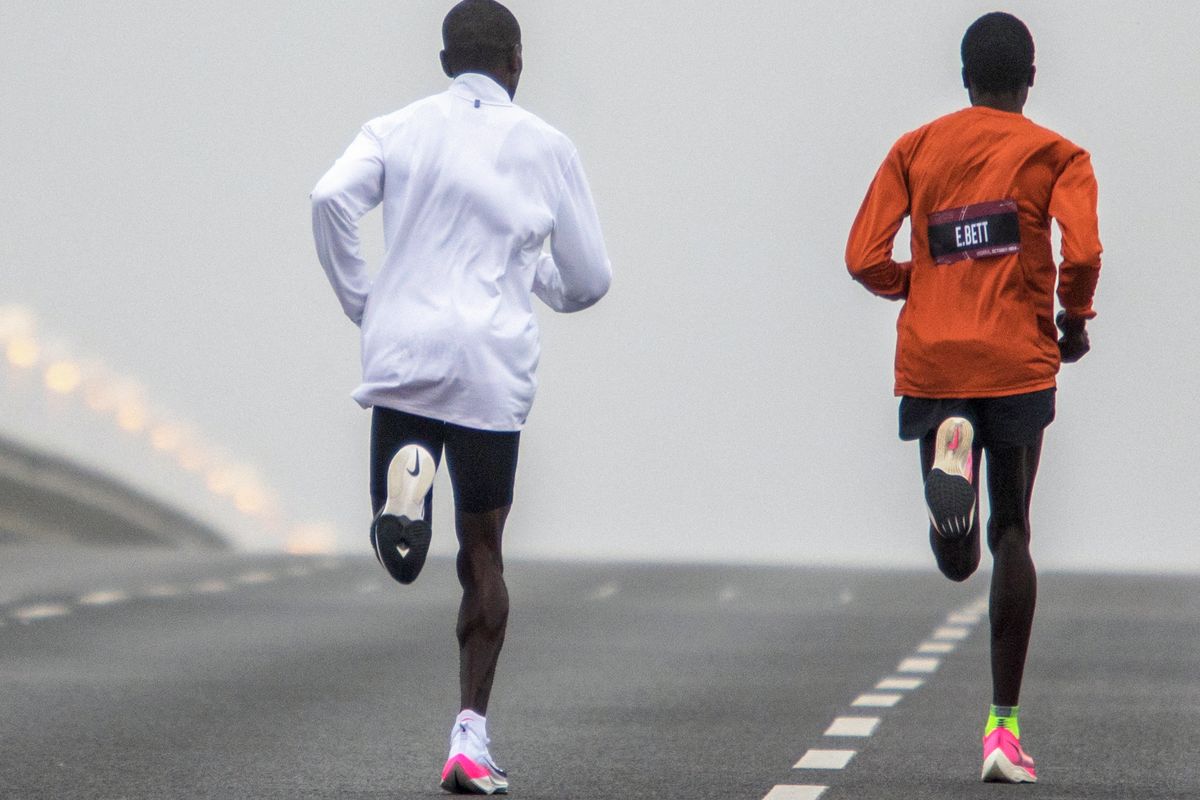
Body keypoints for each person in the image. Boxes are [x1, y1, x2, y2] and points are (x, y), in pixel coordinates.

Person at [310, 0, 611, 793]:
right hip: (490, 365)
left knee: (402, 549)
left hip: (404, 353)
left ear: (447, 62)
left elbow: (329, 199)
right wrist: (530, 270)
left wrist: (364, 302)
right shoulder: (548, 147)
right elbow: (589, 280)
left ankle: (410, 478)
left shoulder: (396, 128)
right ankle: (470, 737)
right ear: (517, 60)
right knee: (482, 554)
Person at [845, 11, 1100, 785]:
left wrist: (915, 284)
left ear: (964, 78)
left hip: (934, 359)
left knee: (956, 560)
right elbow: (1082, 249)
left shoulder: (914, 148)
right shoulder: (1058, 154)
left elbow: (861, 256)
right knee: (1013, 532)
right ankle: (1002, 729)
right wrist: (1074, 318)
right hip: (1017, 360)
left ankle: (949, 463)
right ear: (1030, 79)